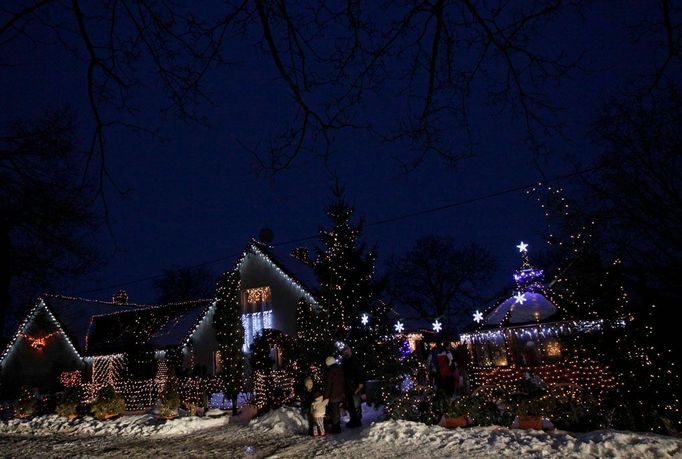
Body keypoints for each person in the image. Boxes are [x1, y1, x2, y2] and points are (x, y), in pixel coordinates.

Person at [341, 346, 364, 428]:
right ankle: (353, 420)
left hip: (355, 386)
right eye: (345, 352)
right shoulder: (344, 361)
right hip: (347, 387)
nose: (346, 353)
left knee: (356, 405)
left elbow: (359, 372)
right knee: (350, 405)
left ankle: (358, 421)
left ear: (350, 352)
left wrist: (360, 383)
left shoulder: (355, 360)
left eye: (347, 351)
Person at [324, 356, 345, 433]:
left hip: (333, 395)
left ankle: (336, 428)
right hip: (340, 394)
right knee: (337, 411)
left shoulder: (330, 372)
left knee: (334, 412)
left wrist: (326, 397)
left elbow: (328, 385)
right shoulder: (339, 369)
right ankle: (337, 426)